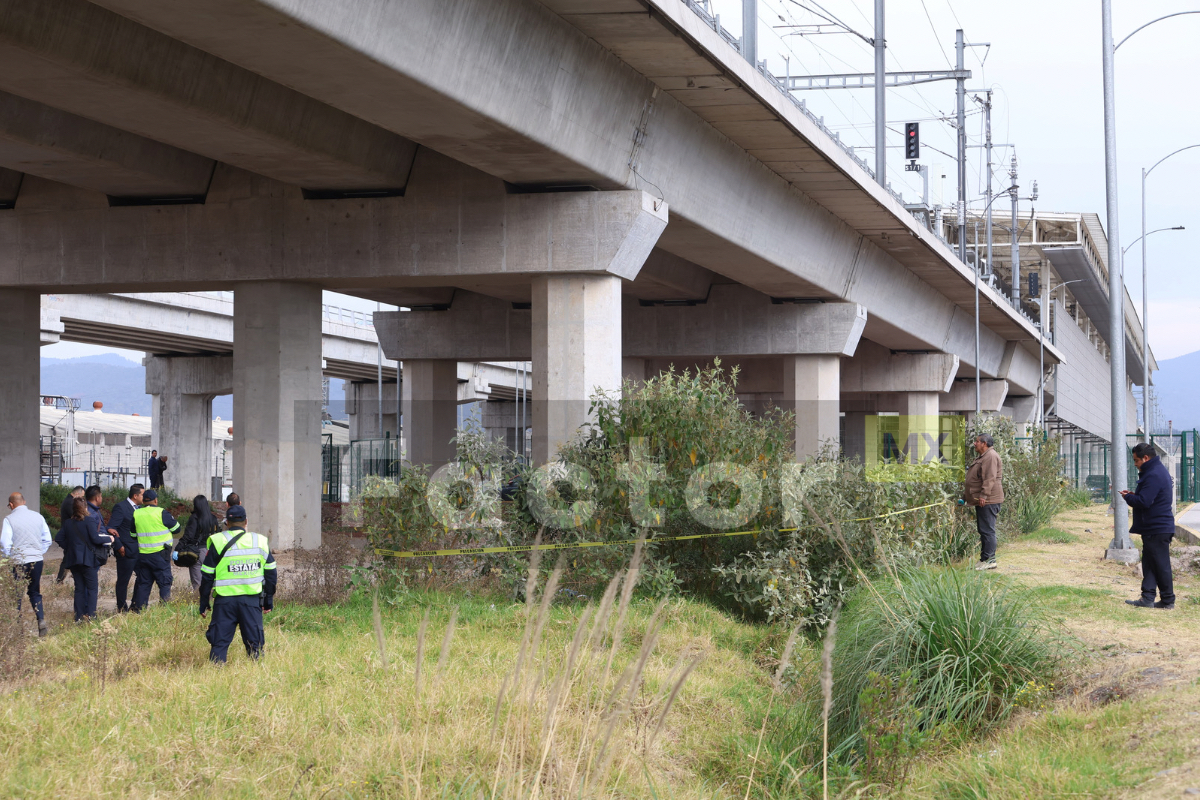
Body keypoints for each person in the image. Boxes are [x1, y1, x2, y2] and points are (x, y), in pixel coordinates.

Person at [198, 505, 276, 663]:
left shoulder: (217, 541)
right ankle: (256, 676)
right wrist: (268, 601)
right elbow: (271, 574)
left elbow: (207, 576)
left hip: (224, 602)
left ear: (227, 522)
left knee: (219, 643)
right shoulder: (259, 541)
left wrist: (204, 602)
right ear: (246, 521)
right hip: (251, 601)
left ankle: (216, 674)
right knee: (255, 644)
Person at [1120, 441, 1176, 609]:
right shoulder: (1156, 471)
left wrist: (1128, 498)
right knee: (1150, 564)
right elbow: (1148, 497)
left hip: (1157, 528)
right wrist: (1133, 495)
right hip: (1155, 527)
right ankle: (1147, 598)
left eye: (1136, 460)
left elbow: (1144, 501)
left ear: (1145, 458)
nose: (1136, 464)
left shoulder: (1153, 474)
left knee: (1160, 565)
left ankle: (1167, 600)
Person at [56, 497, 115, 621]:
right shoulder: (89, 520)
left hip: (73, 560)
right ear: (85, 507)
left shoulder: (68, 523)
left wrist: (70, 547)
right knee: (92, 588)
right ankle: (91, 616)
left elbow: (59, 538)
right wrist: (109, 539)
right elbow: (95, 539)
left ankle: (78, 617)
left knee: (79, 588)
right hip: (88, 560)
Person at [2, 492, 52, 636]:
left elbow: (5, 543)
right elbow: (47, 539)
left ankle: (17, 628)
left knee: (16, 594)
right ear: (24, 501)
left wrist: (8, 558)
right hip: (36, 560)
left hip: (18, 561)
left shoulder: (9, 519)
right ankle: (41, 620)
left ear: (11, 505)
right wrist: (37, 552)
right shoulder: (38, 517)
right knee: (34, 591)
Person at [130, 489, 179, 612]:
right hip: (160, 555)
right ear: (156, 500)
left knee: (144, 584)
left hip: (144, 555)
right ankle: (164, 610)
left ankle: (139, 611)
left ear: (143, 501)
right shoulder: (161, 512)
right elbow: (177, 529)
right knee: (164, 583)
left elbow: (132, 534)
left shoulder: (137, 513)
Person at [963, 433, 1004, 570]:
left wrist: (984, 495)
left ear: (984, 443)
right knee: (984, 529)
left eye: (977, 441)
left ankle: (990, 560)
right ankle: (984, 558)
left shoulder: (990, 456)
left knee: (987, 530)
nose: (975, 444)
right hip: (984, 499)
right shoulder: (984, 456)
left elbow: (990, 478)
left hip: (989, 500)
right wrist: (965, 497)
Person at [106, 484, 143, 612]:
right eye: (142, 494)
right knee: (123, 581)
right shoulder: (121, 508)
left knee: (143, 577)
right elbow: (111, 528)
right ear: (135, 495)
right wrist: (118, 545)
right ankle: (121, 607)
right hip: (125, 551)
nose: (144, 497)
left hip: (139, 551)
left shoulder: (140, 509)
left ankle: (135, 604)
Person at [175, 495, 219, 591]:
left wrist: (177, 548)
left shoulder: (194, 518)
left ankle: (200, 603)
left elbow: (188, 536)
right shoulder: (213, 518)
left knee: (198, 584)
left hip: (197, 552)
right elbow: (218, 535)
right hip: (211, 552)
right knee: (213, 581)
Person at [55, 486, 85, 584]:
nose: (82, 500)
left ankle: (63, 578)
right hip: (69, 533)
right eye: (81, 497)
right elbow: (76, 516)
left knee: (70, 557)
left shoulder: (68, 501)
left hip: (69, 532)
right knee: (68, 557)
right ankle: (60, 579)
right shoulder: (70, 503)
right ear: (77, 494)